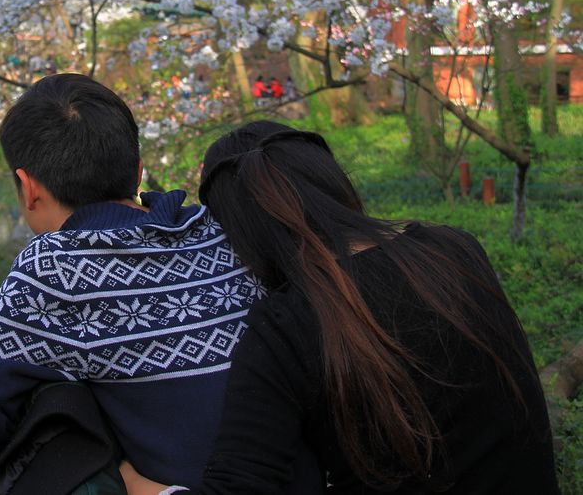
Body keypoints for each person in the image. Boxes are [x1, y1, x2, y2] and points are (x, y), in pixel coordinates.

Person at [0, 75, 318, 495]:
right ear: (138, 171)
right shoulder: (217, 228)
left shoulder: (53, 266)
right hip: (289, 475)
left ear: (28, 187)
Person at [120, 121, 558, 494]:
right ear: (331, 181)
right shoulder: (453, 249)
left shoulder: (288, 326)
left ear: (240, 235)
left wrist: (128, 479)